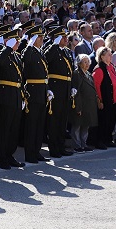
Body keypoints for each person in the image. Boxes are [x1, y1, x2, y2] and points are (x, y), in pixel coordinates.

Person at [0, 28, 26, 169]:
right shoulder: (1, 53)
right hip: (5, 95)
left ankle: (9, 155)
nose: (17, 43)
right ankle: (1, 157)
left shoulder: (15, 55)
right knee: (4, 128)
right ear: (7, 41)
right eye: (15, 40)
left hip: (16, 94)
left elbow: (20, 77)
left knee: (14, 128)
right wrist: (7, 48)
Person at [44, 25, 75, 158]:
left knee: (63, 120)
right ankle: (54, 148)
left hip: (66, 88)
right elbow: (46, 60)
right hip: (56, 88)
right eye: (63, 37)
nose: (66, 39)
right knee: (54, 120)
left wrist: (72, 85)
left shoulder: (66, 51)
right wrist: (54, 45)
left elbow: (70, 71)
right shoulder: (53, 50)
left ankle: (61, 146)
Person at [22, 25, 51, 164]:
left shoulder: (39, 52)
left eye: (42, 37)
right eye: (39, 37)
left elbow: (45, 73)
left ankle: (36, 150)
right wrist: (29, 44)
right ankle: (29, 153)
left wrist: (48, 89)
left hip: (42, 90)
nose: (42, 39)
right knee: (32, 124)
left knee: (40, 124)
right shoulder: (29, 52)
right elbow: (26, 61)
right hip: (33, 91)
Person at [92, 46, 116, 149]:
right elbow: (96, 86)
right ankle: (100, 141)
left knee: (111, 120)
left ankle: (108, 140)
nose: (111, 56)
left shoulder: (112, 67)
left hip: (113, 99)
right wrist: (99, 100)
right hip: (105, 100)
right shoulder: (99, 69)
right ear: (102, 56)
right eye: (109, 54)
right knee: (103, 121)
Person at [70, 54, 99, 152]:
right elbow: (76, 91)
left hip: (89, 105)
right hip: (81, 104)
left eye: (88, 62)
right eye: (84, 62)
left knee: (85, 125)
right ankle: (77, 145)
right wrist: (78, 107)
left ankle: (83, 144)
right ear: (79, 63)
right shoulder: (77, 74)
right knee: (77, 126)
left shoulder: (89, 74)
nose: (87, 64)